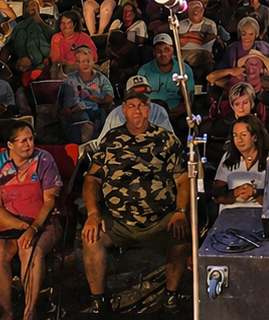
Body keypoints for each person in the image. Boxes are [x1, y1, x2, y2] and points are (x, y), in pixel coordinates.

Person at [80, 84, 192, 314]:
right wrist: (93, 213)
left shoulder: (166, 139)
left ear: (149, 109)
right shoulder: (111, 139)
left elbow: (183, 180)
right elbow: (92, 178)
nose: (137, 110)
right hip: (118, 220)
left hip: (159, 218)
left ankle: (170, 297)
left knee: (181, 238)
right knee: (91, 237)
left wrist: (180, 211)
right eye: (131, 106)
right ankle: (99, 302)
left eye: (142, 105)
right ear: (124, 109)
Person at [0, 119, 64, 320]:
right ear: (10, 144)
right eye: (23, 141)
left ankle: (29, 310)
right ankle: (7, 311)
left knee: (30, 250)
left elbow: (50, 200)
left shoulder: (44, 160)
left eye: (31, 139)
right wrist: (20, 225)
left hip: (43, 221)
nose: (29, 144)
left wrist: (33, 227)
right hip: (9, 222)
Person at [211, 115, 269, 211]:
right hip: (231, 214)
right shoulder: (228, 157)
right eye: (235, 135)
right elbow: (217, 195)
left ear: (255, 137)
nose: (239, 140)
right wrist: (236, 192)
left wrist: (255, 192)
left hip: (260, 214)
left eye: (243, 135)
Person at [58, 45, 113, 144]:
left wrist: (95, 98)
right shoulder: (70, 81)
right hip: (78, 115)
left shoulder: (100, 78)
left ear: (93, 61)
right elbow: (66, 108)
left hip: (98, 112)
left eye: (88, 61)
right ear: (77, 63)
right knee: (84, 123)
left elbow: (109, 97)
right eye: (82, 61)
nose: (86, 64)